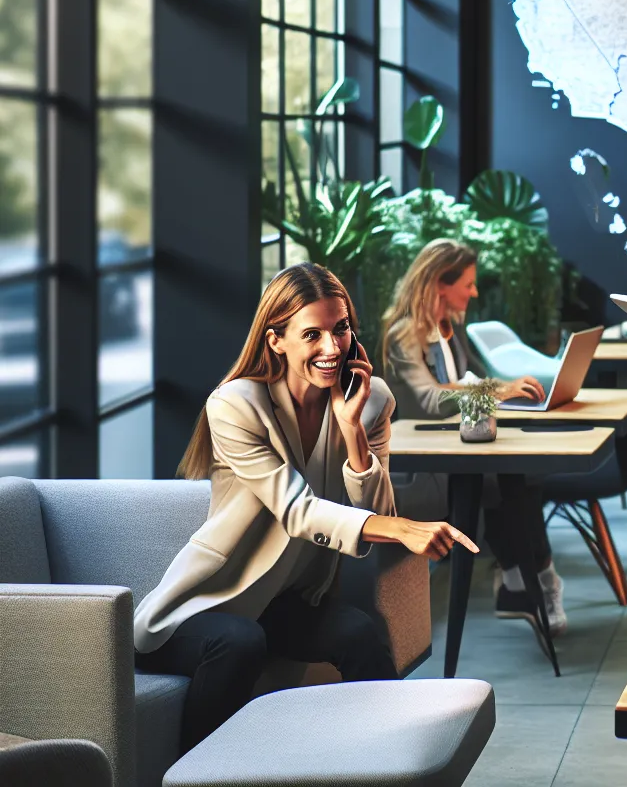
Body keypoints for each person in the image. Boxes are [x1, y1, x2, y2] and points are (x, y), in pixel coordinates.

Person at [135, 263, 479, 751]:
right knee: (239, 642)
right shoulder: (236, 405)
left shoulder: (372, 399)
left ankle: (395, 762)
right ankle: (195, 778)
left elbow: (374, 509)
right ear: (276, 340)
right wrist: (402, 528)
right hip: (208, 607)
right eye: (312, 334)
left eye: (341, 330)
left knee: (359, 633)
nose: (332, 348)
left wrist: (353, 431)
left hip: (283, 604)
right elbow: (298, 511)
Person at [381, 238, 567, 637]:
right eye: (467, 283)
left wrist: (511, 387)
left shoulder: (451, 328)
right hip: (426, 469)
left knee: (522, 477)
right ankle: (533, 581)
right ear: (438, 283)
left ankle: (526, 580)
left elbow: (478, 378)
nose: (474, 291)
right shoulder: (404, 335)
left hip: (462, 449)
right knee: (510, 481)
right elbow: (432, 400)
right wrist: (499, 391)